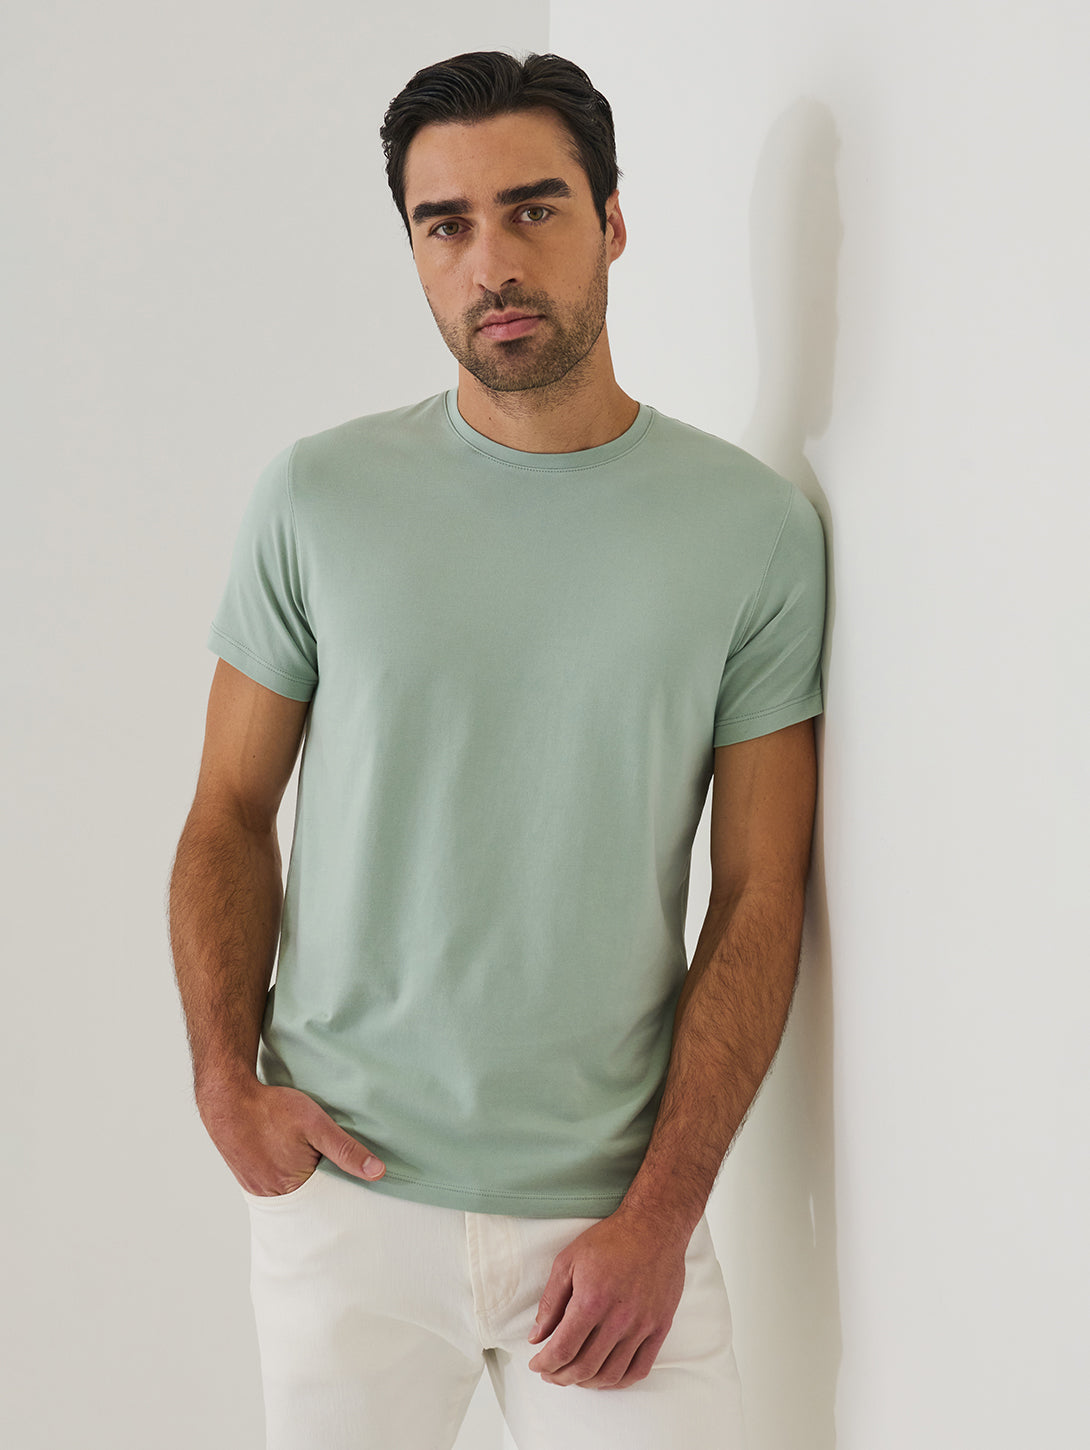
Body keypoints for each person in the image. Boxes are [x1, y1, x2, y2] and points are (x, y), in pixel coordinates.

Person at [168, 48, 826, 1450]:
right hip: (344, 1201)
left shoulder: (751, 529)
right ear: (413, 249)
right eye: (445, 224)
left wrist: (661, 1214)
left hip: (611, 1220)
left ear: (612, 220)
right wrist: (227, 1084)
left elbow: (761, 890)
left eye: (533, 209)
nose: (492, 264)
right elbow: (227, 807)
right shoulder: (318, 496)